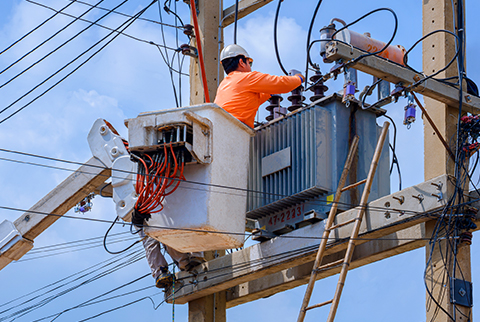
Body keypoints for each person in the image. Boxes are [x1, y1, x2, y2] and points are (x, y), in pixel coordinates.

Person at [214, 44, 305, 128]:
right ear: (241, 62)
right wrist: (298, 79)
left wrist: (271, 92)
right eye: (249, 63)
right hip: (236, 130)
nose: (250, 67)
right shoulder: (247, 78)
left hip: (221, 130)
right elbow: (281, 83)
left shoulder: (224, 85)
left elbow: (252, 99)